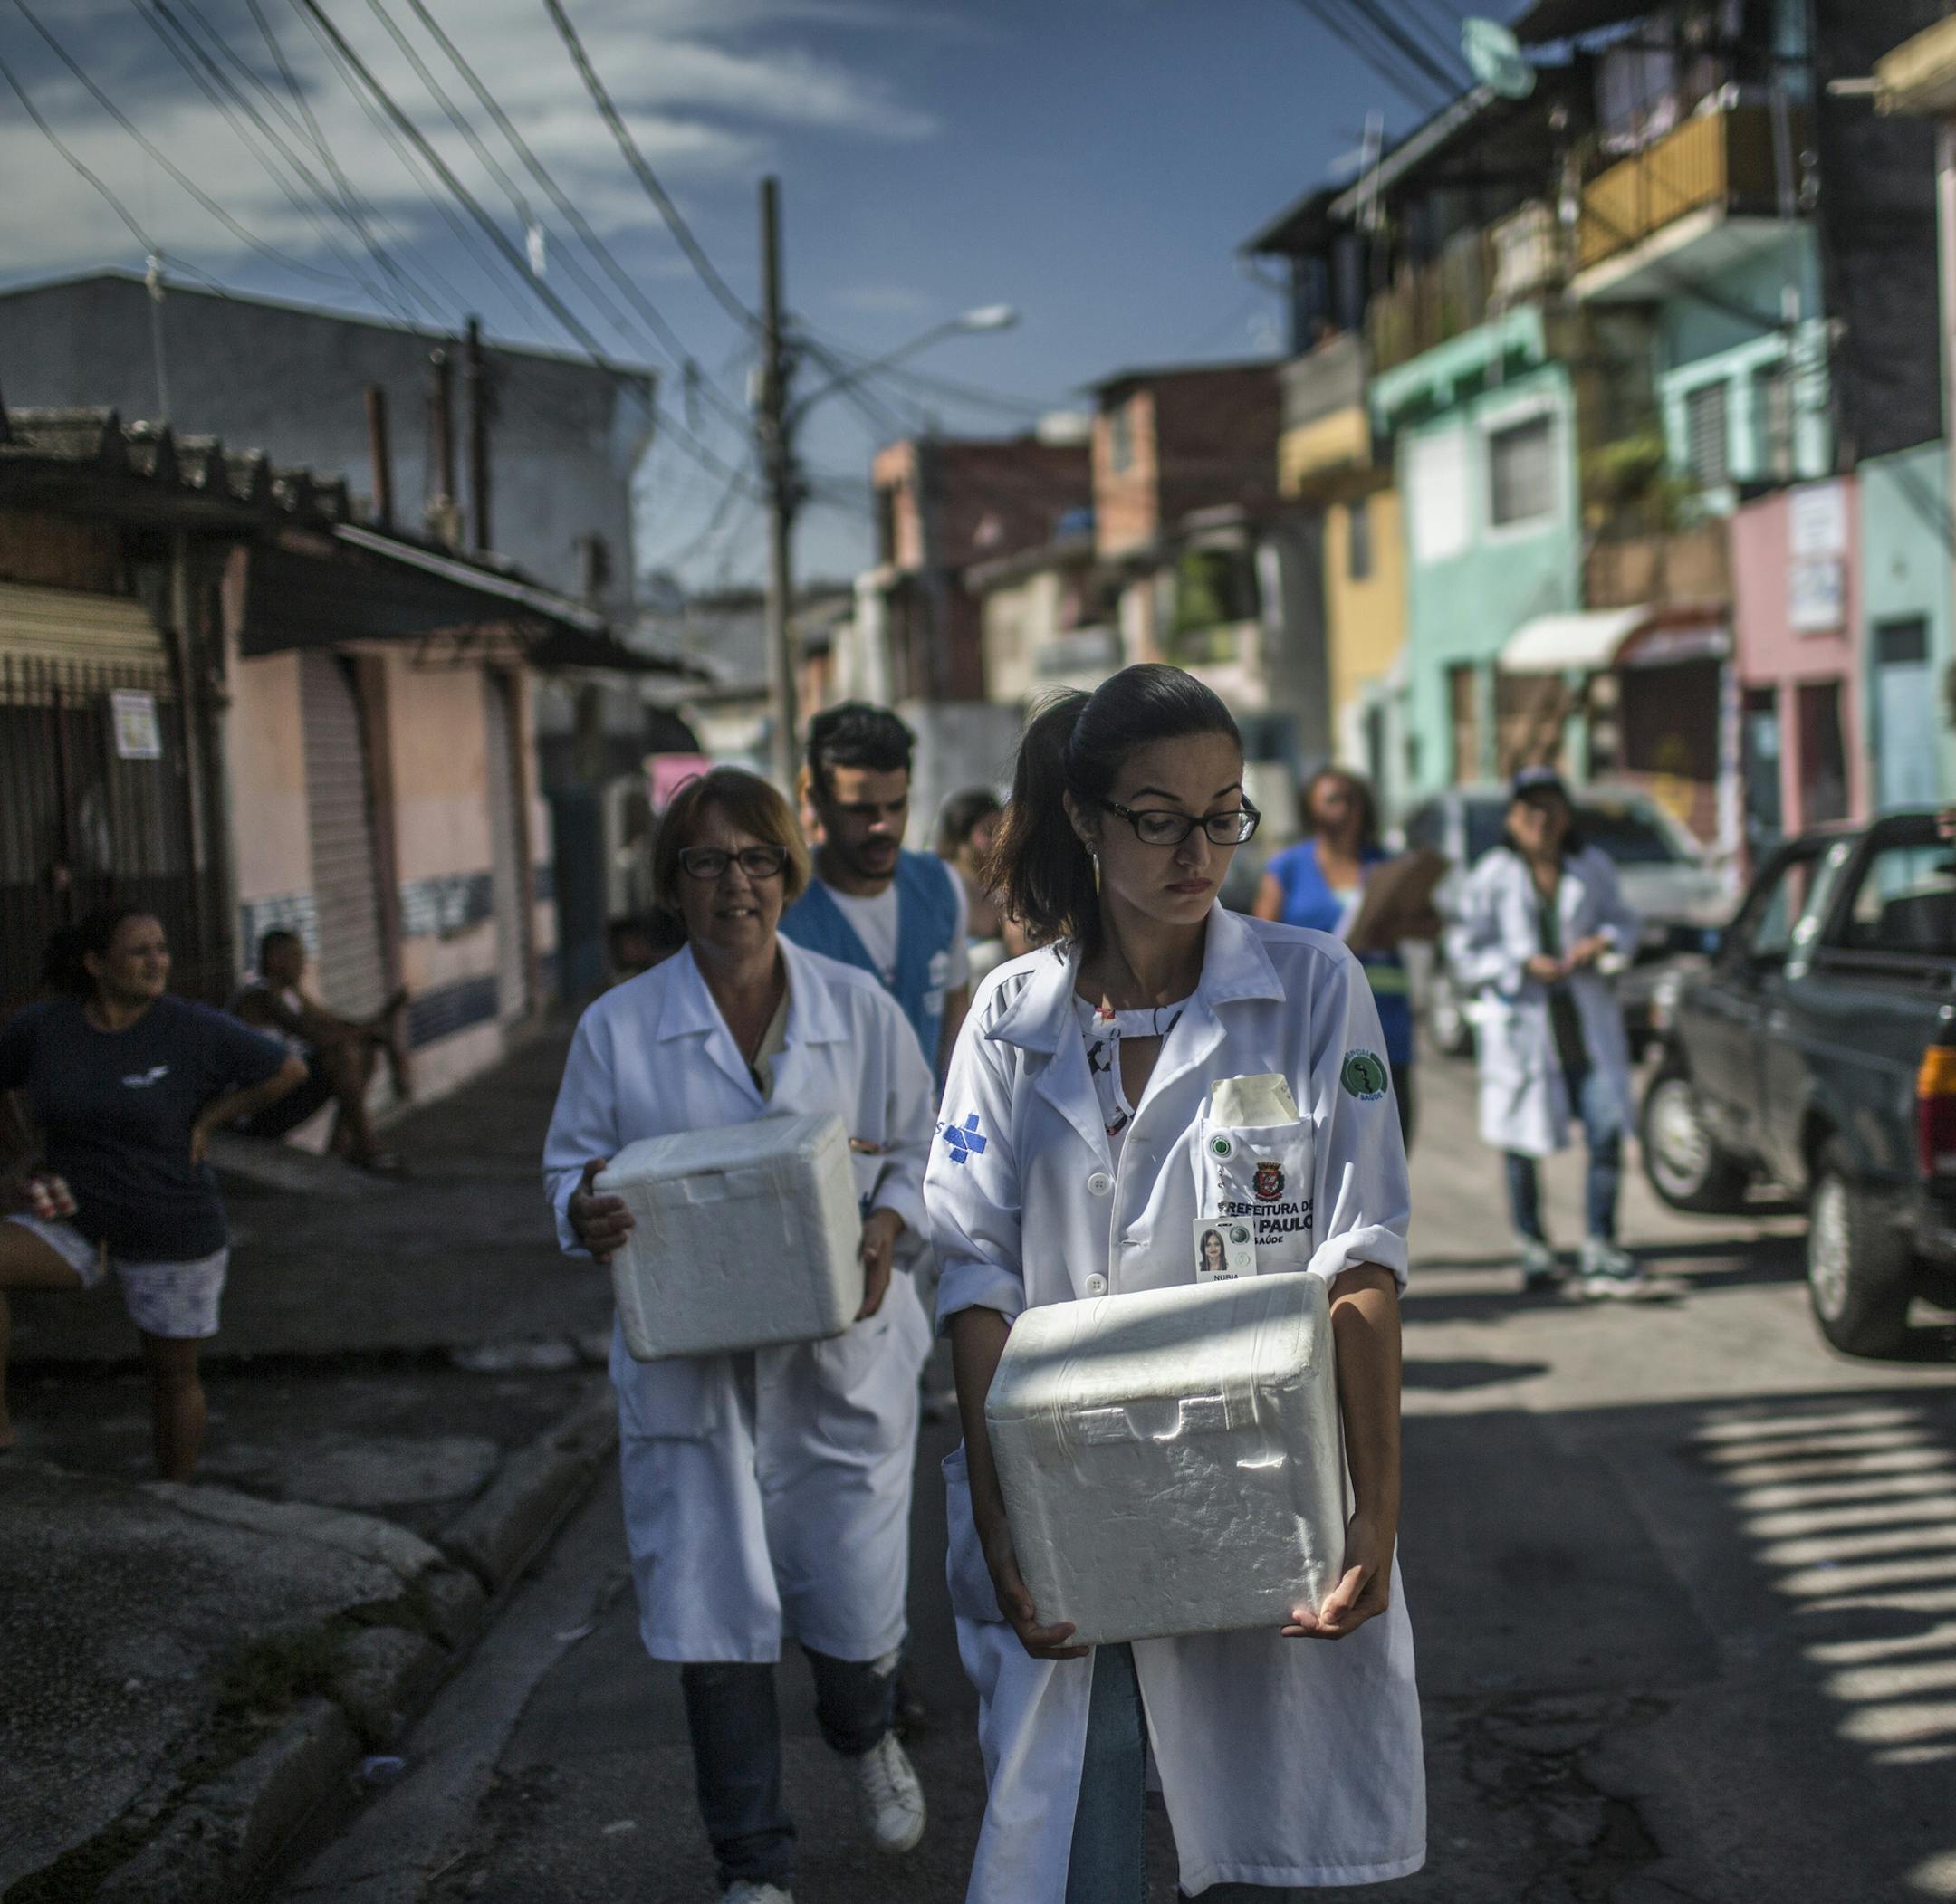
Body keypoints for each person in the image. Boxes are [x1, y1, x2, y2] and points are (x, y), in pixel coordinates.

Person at [926, 666, 1424, 1902]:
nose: (1197, 848)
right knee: (1075, 1840)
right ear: (1088, 822)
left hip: (1265, 1478)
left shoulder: (1313, 989)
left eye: (1223, 812)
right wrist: (998, 1508)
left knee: (1267, 1831)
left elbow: (1360, 1256)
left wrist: (1378, 1506)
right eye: (1158, 816)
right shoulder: (1007, 1018)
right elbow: (973, 1274)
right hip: (1066, 1481)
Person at [543, 767, 937, 1904]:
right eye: (707, 863)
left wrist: (889, 1222)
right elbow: (570, 1169)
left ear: (786, 873)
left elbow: (928, 1148)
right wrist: (583, 1209)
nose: (736, 885)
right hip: (694, 1370)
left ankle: (865, 1734)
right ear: (674, 884)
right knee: (716, 1627)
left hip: (838, 1359)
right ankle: (753, 1866)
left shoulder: (856, 1008)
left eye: (758, 860)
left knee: (853, 1611)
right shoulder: (620, 1027)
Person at [0, 907, 306, 1477]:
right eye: (139, 951)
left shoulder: (191, 1027)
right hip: (74, 1219)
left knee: (170, 1377)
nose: (156, 961)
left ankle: (177, 1494)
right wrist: (21, 1153)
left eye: (161, 948)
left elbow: (287, 1071)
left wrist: (209, 1121)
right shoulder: (46, 1028)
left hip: (171, 1224)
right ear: (95, 963)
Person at [1447, 767, 1650, 1300]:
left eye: (1551, 809)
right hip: (1523, 1027)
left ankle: (1600, 1244)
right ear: (1512, 819)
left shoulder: (1591, 866)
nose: (1541, 820)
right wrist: (1519, 964)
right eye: (1529, 811)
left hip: (1584, 1028)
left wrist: (1601, 942)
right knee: (1521, 1142)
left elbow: (1627, 923)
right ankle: (1534, 1246)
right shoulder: (1491, 875)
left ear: (1566, 815)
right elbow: (1464, 952)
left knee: (1606, 1132)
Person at [782, 703, 971, 1083]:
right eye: (861, 810)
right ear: (818, 804)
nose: (882, 825)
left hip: (928, 1136)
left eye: (896, 805)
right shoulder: (783, 909)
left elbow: (956, 1040)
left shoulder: (941, 887)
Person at [1254, 768, 1426, 1148]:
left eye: (1353, 799)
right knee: (1324, 1141)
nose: (1345, 809)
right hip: (1313, 1020)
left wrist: (1396, 928)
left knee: (1390, 1139)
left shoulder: (1385, 864)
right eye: (1333, 799)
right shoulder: (1288, 868)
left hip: (1385, 1020)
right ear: (1310, 809)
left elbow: (1431, 924)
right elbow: (1260, 941)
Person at [228, 930, 406, 1172]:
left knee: (362, 1051)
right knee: (338, 1055)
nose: (303, 964)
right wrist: (383, 1038)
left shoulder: (292, 995)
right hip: (251, 1112)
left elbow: (339, 1025)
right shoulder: (260, 996)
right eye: (295, 956)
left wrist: (382, 1035)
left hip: (278, 1096)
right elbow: (320, 1038)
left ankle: (341, 1149)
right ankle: (366, 1145)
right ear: (274, 960)